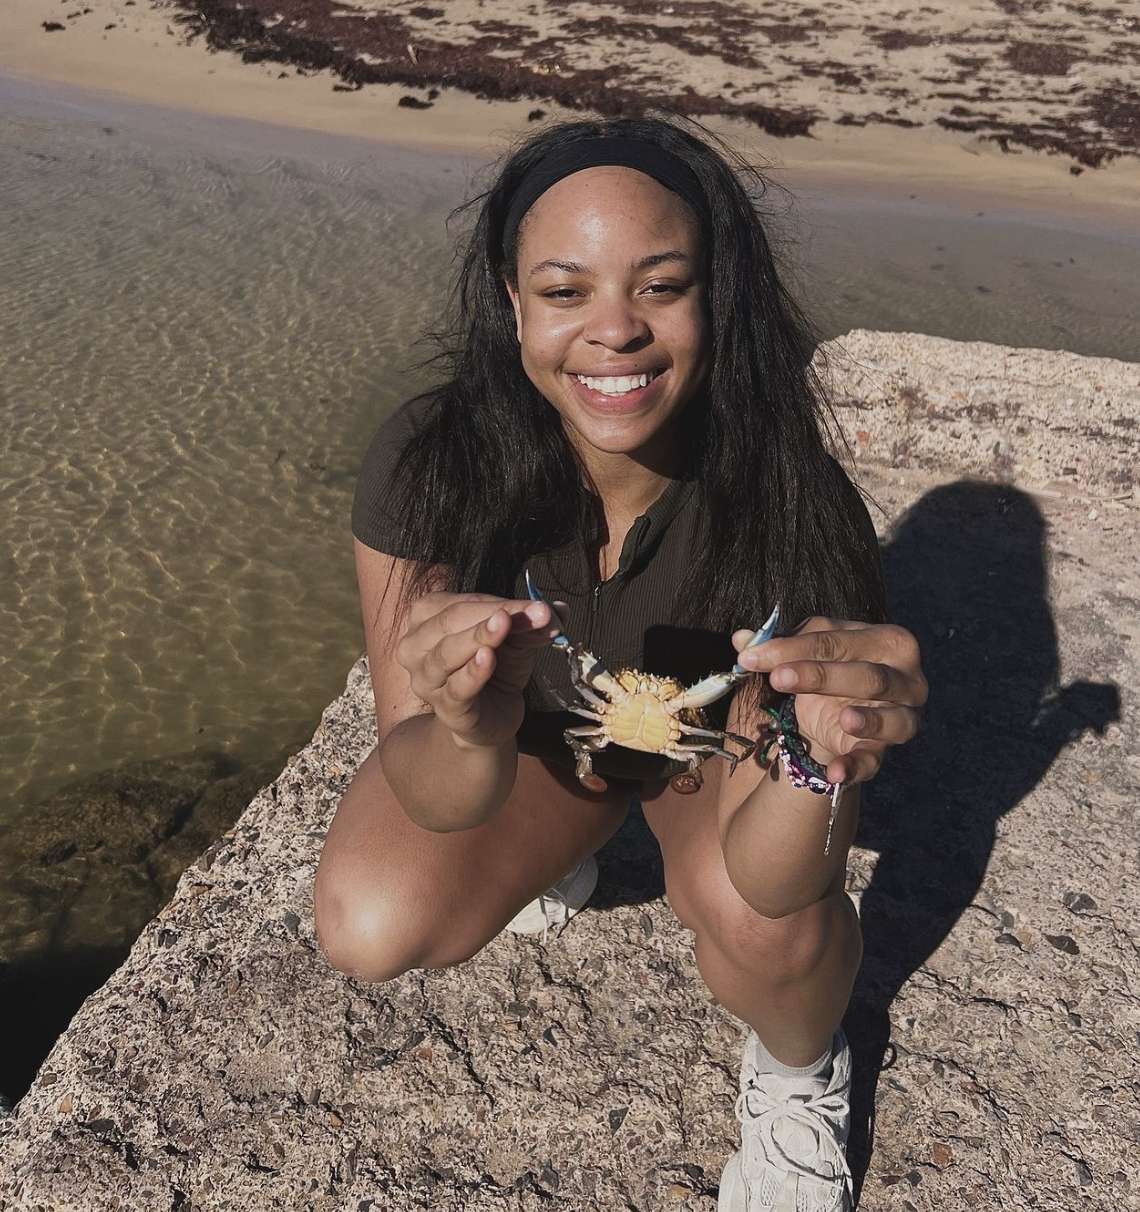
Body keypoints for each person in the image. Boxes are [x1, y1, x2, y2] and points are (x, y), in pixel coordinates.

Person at [314, 115, 927, 1211]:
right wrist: (466, 726)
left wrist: (817, 760)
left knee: (755, 917)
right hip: (548, 737)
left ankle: (798, 1075)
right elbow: (428, 785)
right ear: (511, 304)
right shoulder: (430, 468)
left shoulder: (792, 501)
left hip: (711, 735)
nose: (616, 333)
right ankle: (563, 849)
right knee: (371, 917)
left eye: (660, 285)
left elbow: (792, 880)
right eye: (565, 292)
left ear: (716, 298)